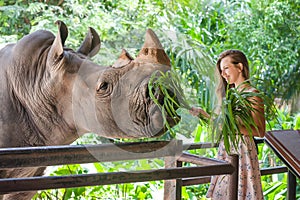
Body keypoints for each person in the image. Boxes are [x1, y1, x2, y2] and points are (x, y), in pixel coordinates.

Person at [190, 49, 265, 199]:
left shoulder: (252, 95)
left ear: (240, 67)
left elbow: (260, 131)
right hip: (226, 149)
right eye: (221, 70)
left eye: (226, 68)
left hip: (243, 150)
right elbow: (220, 125)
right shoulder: (228, 96)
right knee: (222, 191)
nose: (223, 74)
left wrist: (230, 126)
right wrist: (203, 114)